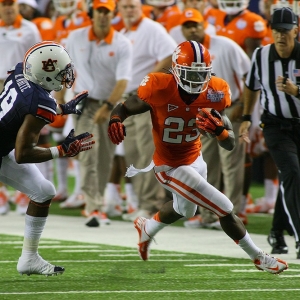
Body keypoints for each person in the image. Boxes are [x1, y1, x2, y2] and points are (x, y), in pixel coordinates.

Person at [107, 40, 288, 274]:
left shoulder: (216, 91)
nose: (195, 81)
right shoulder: (158, 86)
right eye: (189, 74)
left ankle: (147, 227)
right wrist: (115, 119)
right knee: (224, 207)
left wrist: (220, 131)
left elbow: (230, 143)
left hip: (195, 159)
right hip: (168, 166)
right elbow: (125, 106)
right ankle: (259, 257)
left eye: (200, 74)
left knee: (185, 210)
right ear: (175, 70)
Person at [0, 41, 94, 275]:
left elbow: (22, 107)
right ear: (47, 75)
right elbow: (23, 154)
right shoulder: (39, 102)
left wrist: (60, 108)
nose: (67, 76)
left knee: (43, 191)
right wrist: (62, 151)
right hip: (7, 149)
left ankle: (29, 259)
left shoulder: (23, 69)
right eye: (61, 73)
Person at [175, 8, 250, 229]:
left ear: (204, 25)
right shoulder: (183, 52)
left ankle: (232, 213)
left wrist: (242, 106)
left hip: (229, 110)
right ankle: (208, 214)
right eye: (188, 26)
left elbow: (249, 76)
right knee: (204, 166)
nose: (193, 29)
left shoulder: (225, 45)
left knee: (231, 164)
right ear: (182, 29)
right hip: (201, 114)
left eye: (196, 24)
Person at [65, 0, 133, 227]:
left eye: (107, 11)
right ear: (91, 13)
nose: (103, 15)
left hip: (111, 104)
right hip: (84, 104)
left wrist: (108, 106)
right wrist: (60, 96)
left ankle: (99, 203)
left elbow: (123, 80)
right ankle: (92, 206)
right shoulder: (75, 37)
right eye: (99, 11)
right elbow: (65, 68)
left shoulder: (123, 43)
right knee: (87, 153)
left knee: (105, 156)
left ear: (113, 14)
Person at [239, 7, 300, 258]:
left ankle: (276, 231)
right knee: (292, 173)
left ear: (296, 31)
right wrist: (245, 118)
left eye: (285, 31)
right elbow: (251, 87)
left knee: (291, 181)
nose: (280, 36)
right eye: (276, 30)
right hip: (275, 126)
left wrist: (295, 91)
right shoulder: (261, 55)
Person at [115, 0, 177, 222]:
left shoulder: (151, 28)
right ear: (119, 10)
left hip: (145, 99)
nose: (129, 10)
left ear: (141, 8)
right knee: (132, 152)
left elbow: (171, 54)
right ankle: (143, 202)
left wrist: (147, 82)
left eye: (133, 6)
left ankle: (150, 203)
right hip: (128, 99)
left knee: (146, 152)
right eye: (125, 7)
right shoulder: (122, 31)